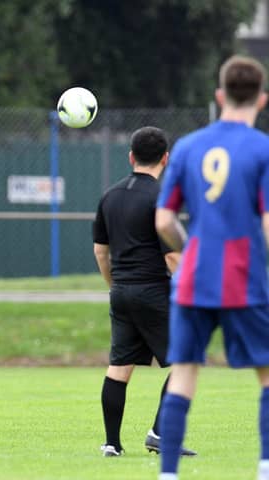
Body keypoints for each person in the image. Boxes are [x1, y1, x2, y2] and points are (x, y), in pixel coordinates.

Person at [155, 54, 269, 480]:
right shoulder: (262, 149)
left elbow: (164, 220)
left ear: (220, 95)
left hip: (194, 277)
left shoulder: (187, 147)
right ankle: (264, 467)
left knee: (184, 375)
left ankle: (168, 474)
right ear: (262, 100)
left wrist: (187, 248)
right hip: (244, 278)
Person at [93, 126, 195, 458]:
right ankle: (160, 435)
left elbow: (100, 251)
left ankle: (112, 443)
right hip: (154, 290)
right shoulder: (162, 200)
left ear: (131, 157)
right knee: (185, 360)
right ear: (166, 158)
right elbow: (171, 255)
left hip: (121, 290)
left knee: (119, 368)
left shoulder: (109, 196)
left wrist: (115, 286)